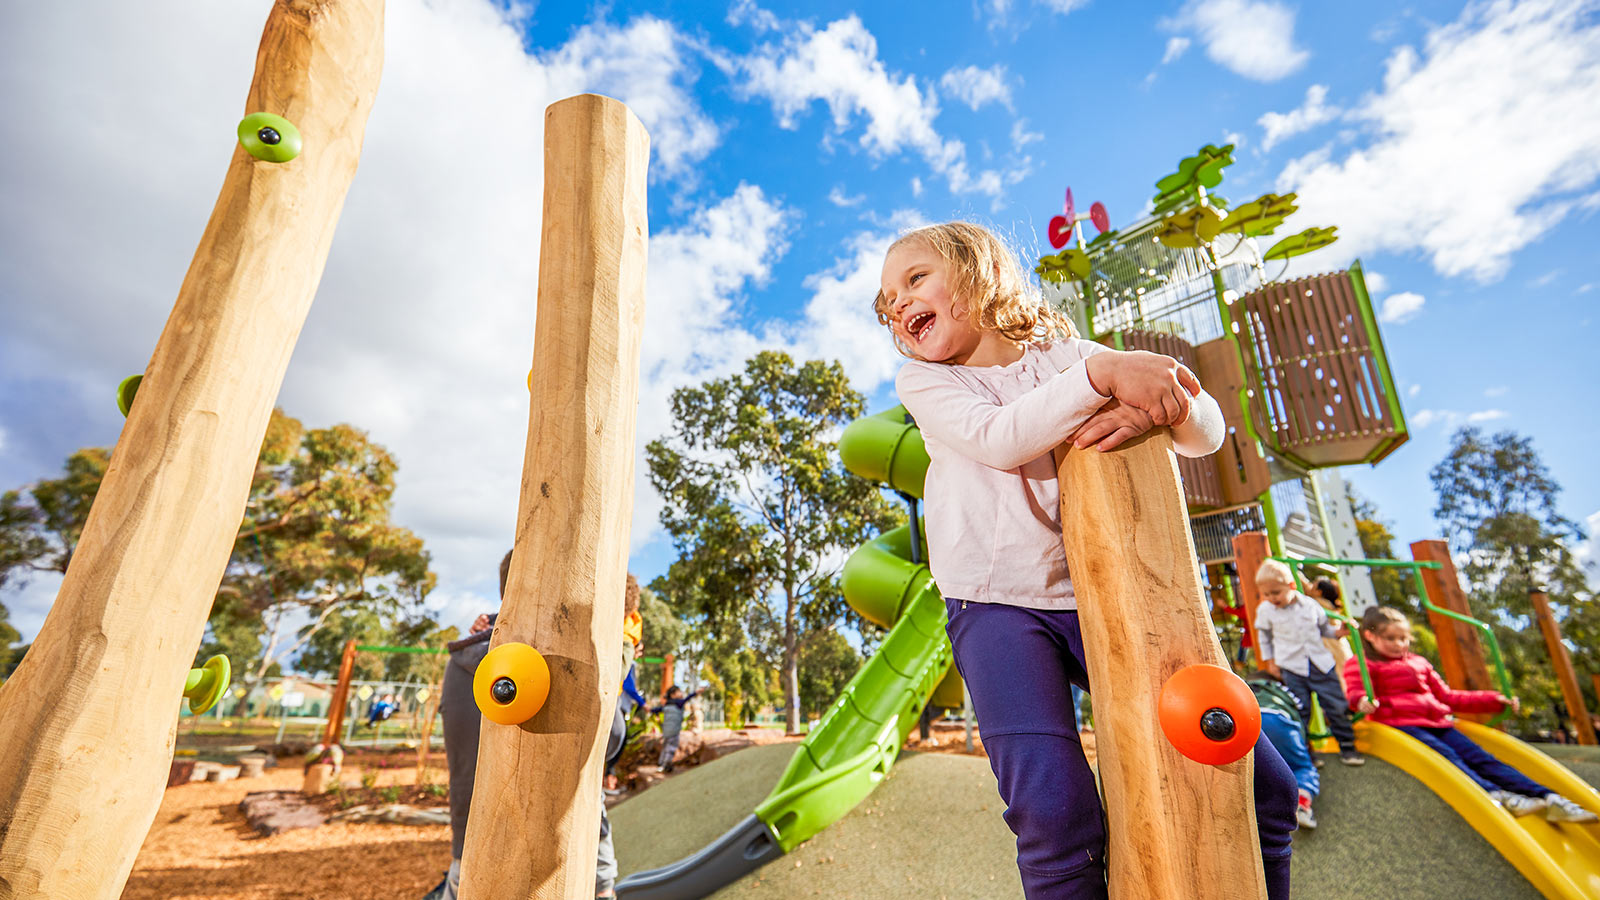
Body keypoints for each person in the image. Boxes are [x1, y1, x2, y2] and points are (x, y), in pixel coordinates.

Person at [876, 221, 1298, 900]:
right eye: (887, 298)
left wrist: (1154, 409)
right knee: (1056, 812)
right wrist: (1106, 376)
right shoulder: (926, 381)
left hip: (1105, 597)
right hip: (996, 605)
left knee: (1258, 783)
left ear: (980, 271)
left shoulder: (1067, 356)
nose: (897, 302)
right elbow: (1000, 437)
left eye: (914, 279)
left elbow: (1207, 432)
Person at [423, 552, 637, 900]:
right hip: (560, 851)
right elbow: (608, 740)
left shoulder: (465, 658)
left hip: (473, 839)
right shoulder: (567, 665)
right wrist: (621, 654)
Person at [1345, 606, 1596, 823]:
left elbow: (1447, 697)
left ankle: (1547, 796)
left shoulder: (1419, 663)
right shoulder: (1362, 663)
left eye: (1404, 638)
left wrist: (1492, 700)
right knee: (1449, 756)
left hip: (1438, 722)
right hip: (1401, 724)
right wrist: (1362, 701)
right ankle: (1496, 793)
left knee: (1484, 759)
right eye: (1391, 638)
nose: (1400, 644)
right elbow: (1355, 692)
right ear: (1370, 635)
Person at [1254, 559, 1364, 767]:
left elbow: (1325, 630)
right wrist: (1271, 662)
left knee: (1336, 705)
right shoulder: (1265, 611)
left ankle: (1348, 748)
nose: (1271, 598)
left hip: (1321, 664)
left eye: (1275, 593)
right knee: (1300, 711)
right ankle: (1307, 756)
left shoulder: (1309, 605)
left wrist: (1340, 632)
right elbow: (1265, 638)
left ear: (1291, 586)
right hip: (1292, 667)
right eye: (1266, 594)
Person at [1249, 675, 1321, 830]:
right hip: (1278, 720)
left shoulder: (1243, 686)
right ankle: (1301, 803)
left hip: (1247, 721)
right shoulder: (1284, 690)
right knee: (1301, 767)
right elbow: (1302, 716)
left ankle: (1254, 807)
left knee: (1252, 768)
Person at [648, 685, 700, 773]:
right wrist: (696, 692)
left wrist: (650, 710)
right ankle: (666, 765)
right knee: (671, 748)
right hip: (674, 731)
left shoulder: (667, 705)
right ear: (673, 695)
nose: (681, 693)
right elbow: (687, 698)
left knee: (665, 747)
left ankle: (661, 763)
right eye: (679, 692)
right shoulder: (679, 703)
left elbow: (657, 710)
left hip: (666, 730)